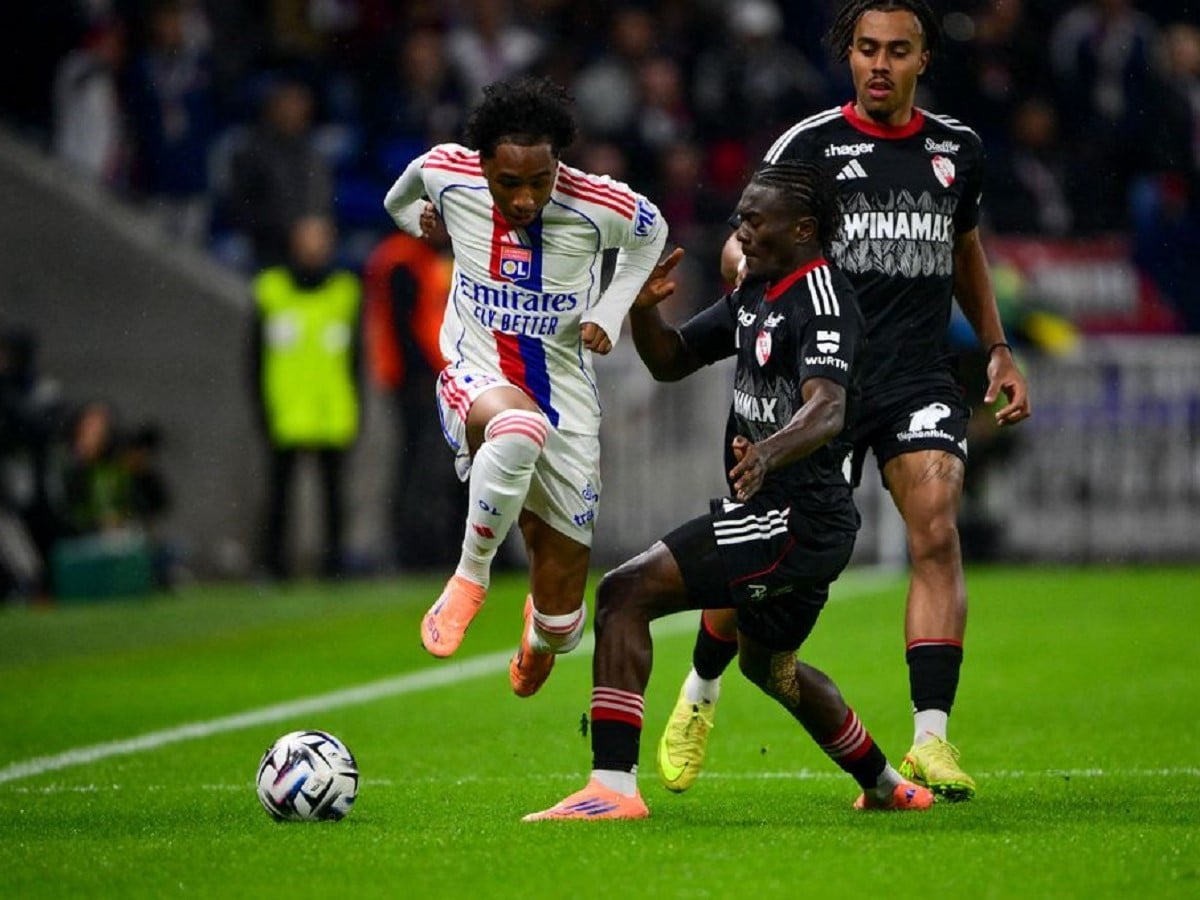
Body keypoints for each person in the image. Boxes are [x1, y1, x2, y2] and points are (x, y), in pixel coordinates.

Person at [656, 0, 1031, 803]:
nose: (880, 64)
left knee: (937, 523)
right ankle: (702, 687)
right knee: (756, 568)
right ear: (850, 55)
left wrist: (997, 347)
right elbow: (746, 235)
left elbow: (965, 245)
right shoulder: (809, 145)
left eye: (897, 50)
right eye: (867, 49)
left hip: (914, 377)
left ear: (923, 58)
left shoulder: (956, 149)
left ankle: (931, 737)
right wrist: (742, 270)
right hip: (813, 385)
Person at [524, 160, 933, 820]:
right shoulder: (756, 292)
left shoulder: (823, 300)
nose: (740, 229)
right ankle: (886, 786)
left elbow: (828, 407)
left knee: (624, 593)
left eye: (754, 219)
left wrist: (767, 452)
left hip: (797, 518)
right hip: (787, 517)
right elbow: (672, 361)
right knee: (769, 668)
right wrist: (645, 312)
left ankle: (612, 788)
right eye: (741, 216)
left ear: (802, 230)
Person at [383, 75, 667, 696]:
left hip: (566, 399)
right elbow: (398, 197)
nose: (525, 198)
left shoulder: (597, 203)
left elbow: (653, 232)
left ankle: (539, 638)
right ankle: (469, 577)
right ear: (483, 163)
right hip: (475, 372)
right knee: (517, 427)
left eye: (540, 180)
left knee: (565, 624)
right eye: (509, 182)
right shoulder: (447, 173)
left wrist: (611, 308)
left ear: (557, 162)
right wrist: (416, 223)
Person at [249, 214, 361, 580]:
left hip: (332, 409)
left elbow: (356, 359)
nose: (315, 248)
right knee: (279, 494)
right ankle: (272, 566)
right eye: (308, 239)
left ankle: (334, 566)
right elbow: (253, 358)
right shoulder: (271, 289)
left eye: (321, 239)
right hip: (286, 410)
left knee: (334, 495)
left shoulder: (345, 291)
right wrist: (261, 408)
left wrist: (357, 406)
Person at [361, 227, 465, 569]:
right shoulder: (402, 259)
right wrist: (420, 376)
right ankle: (415, 548)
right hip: (418, 382)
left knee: (446, 464)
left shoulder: (432, 258)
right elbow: (404, 327)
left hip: (444, 376)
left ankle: (447, 546)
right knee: (421, 466)